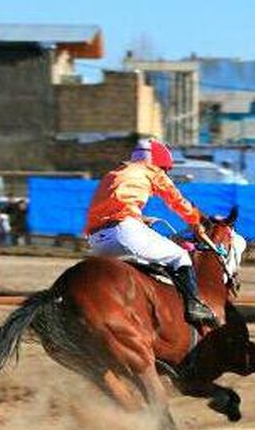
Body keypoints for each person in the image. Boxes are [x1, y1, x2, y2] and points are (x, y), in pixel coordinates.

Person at [84, 137, 220, 328]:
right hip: (125, 232)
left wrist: (140, 219)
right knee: (180, 256)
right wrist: (196, 222)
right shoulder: (152, 171)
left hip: (97, 241)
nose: (165, 173)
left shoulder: (114, 173)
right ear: (158, 164)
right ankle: (195, 306)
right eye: (165, 169)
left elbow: (111, 208)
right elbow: (177, 201)